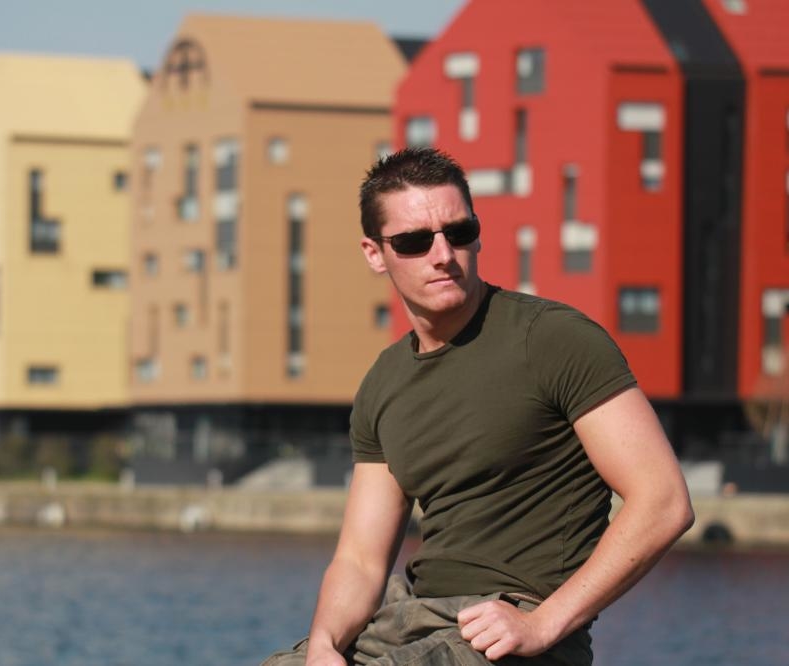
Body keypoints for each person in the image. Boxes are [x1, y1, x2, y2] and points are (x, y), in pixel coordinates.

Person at [263, 148, 693, 666]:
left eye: (459, 232)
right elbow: (360, 560)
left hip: (514, 626)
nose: (443, 254)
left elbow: (663, 501)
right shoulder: (384, 382)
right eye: (415, 242)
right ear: (375, 254)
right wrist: (325, 644)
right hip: (412, 619)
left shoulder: (553, 339)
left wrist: (542, 624)